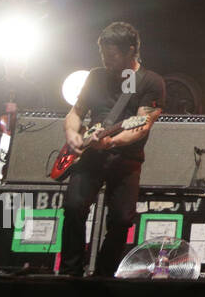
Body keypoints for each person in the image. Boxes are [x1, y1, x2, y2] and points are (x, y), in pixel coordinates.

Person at [60, 23, 165, 277]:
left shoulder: (151, 81)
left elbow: (141, 126)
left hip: (125, 158)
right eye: (103, 55)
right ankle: (70, 272)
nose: (106, 61)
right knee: (74, 208)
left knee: (121, 219)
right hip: (90, 154)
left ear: (131, 51)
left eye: (112, 55)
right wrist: (73, 134)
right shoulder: (96, 76)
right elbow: (75, 112)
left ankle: (104, 275)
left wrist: (111, 142)